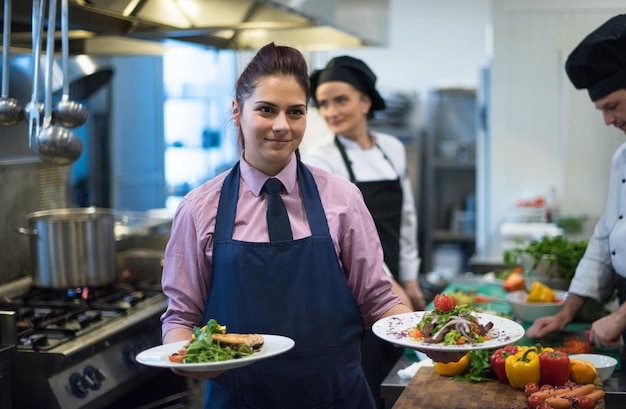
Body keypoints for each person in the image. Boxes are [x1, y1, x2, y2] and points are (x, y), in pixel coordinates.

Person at [160, 43, 456, 409]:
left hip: (338, 397)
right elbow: (182, 317)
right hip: (239, 400)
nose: (282, 126)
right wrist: (185, 357)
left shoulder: (342, 199)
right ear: (237, 111)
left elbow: (378, 298)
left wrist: (427, 339)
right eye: (266, 110)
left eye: (295, 112)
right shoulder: (198, 209)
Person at [301, 55, 425, 409]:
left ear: (365, 101)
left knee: (404, 370)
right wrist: (391, 286)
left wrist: (411, 279)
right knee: (367, 374)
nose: (330, 111)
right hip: (351, 288)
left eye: (341, 100)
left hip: (396, 276)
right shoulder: (321, 159)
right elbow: (345, 240)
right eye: (323, 103)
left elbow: (407, 216)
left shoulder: (393, 149)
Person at [526, 14, 626, 351]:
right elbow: (604, 240)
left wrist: (620, 317)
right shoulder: (621, 158)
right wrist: (564, 313)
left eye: (611, 106)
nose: (608, 120)